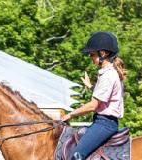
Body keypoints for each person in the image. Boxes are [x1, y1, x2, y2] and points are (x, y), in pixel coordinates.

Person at [60, 31, 126, 160]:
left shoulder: (108, 76)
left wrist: (70, 114)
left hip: (104, 124)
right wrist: (90, 87)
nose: (90, 56)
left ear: (104, 53)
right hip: (101, 122)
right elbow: (105, 97)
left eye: (92, 53)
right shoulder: (108, 73)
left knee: (74, 157)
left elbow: (93, 105)